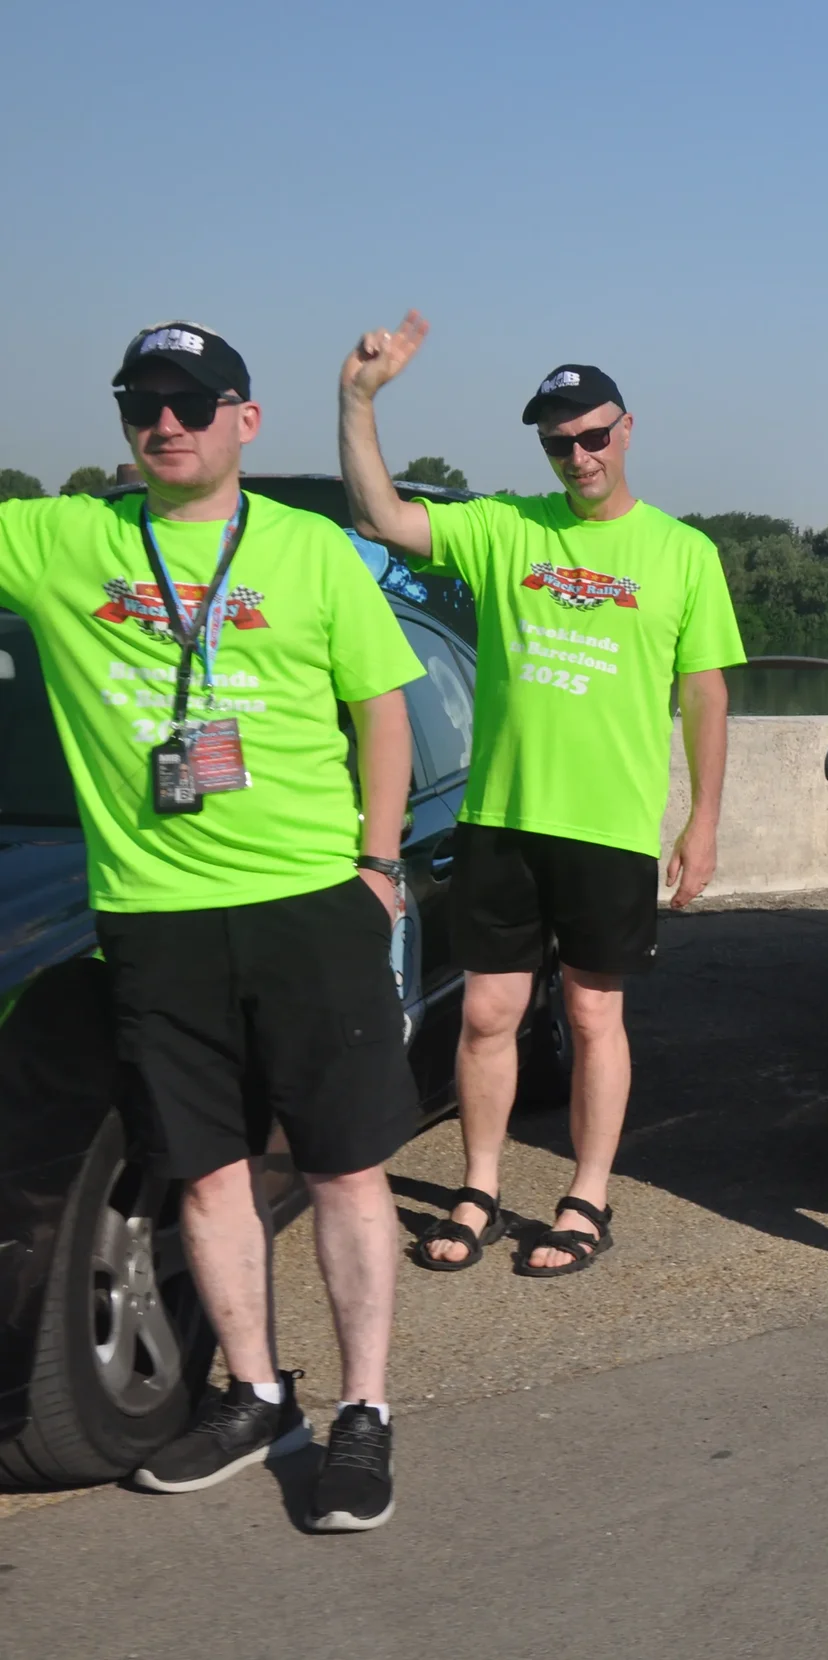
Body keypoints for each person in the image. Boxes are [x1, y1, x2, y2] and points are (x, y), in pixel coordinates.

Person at [0, 324, 425, 1528]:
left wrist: (378, 868)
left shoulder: (310, 551)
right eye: (143, 402)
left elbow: (381, 709)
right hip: (156, 917)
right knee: (206, 1171)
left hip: (307, 903)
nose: (165, 422)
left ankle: (365, 1412)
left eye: (192, 402)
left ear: (245, 419)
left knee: (344, 1167)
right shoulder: (58, 541)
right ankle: (253, 1395)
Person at [339, 313, 746, 1276]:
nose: (576, 455)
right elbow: (380, 519)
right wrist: (356, 402)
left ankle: (585, 1194)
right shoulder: (506, 526)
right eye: (558, 442)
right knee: (486, 1016)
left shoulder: (681, 553)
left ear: (627, 430)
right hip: (502, 820)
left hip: (606, 828)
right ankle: (478, 1186)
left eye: (592, 436)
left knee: (596, 1016)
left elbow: (706, 694)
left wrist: (704, 822)